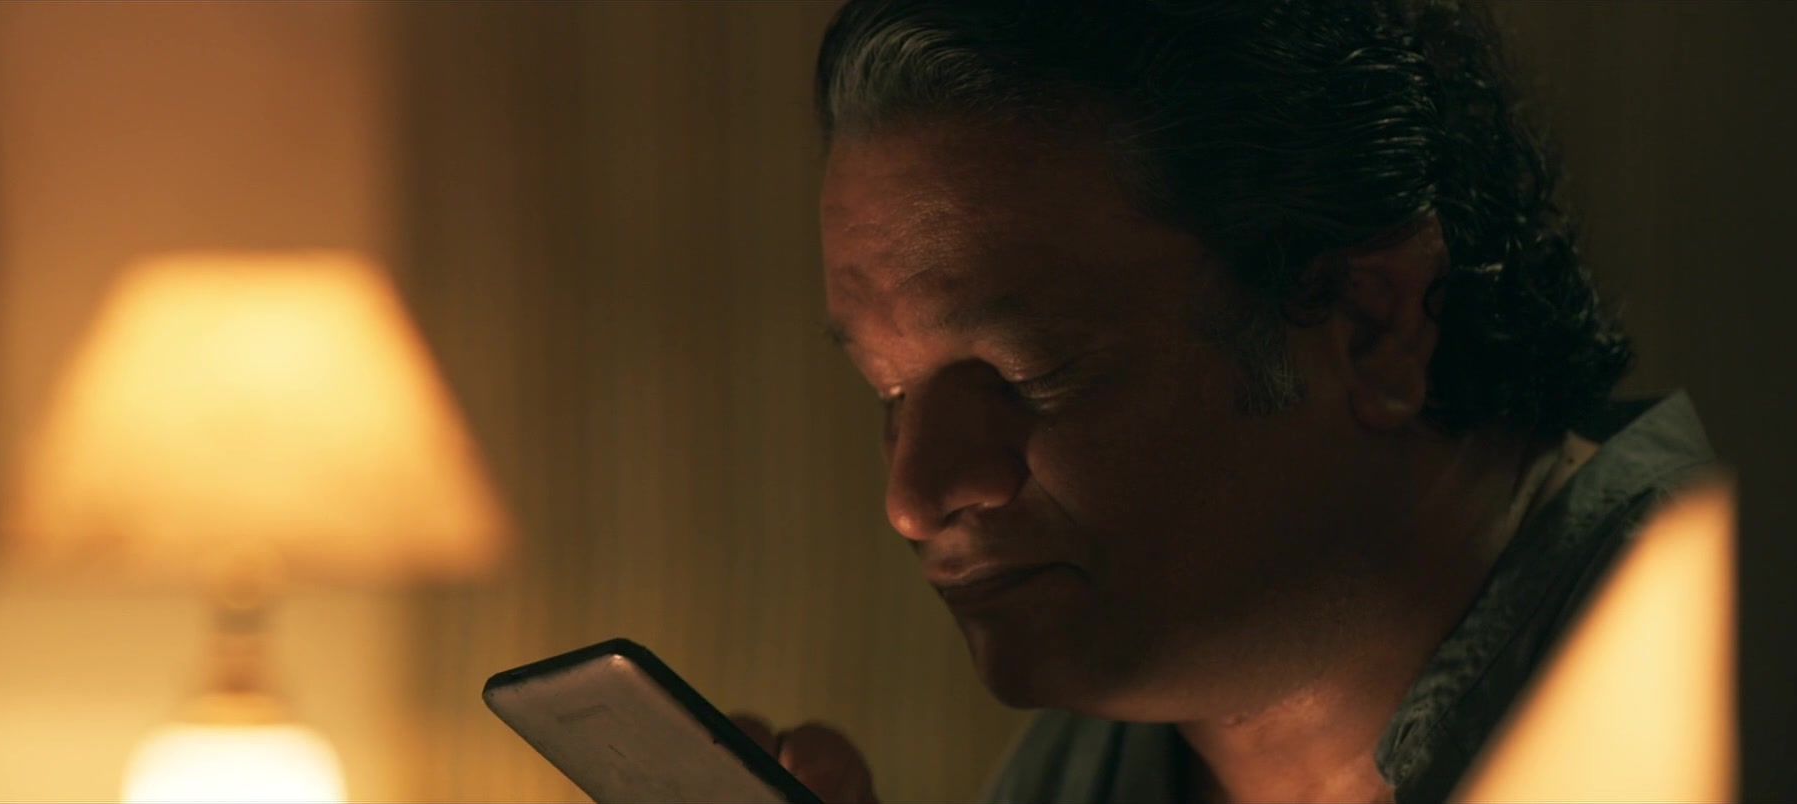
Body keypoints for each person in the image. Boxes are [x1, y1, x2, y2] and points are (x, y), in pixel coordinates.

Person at [732, 1, 1717, 802]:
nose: (913, 497)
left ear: (1369, 328)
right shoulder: (1105, 750)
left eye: (1031, 374)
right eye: (890, 391)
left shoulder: (1730, 684)